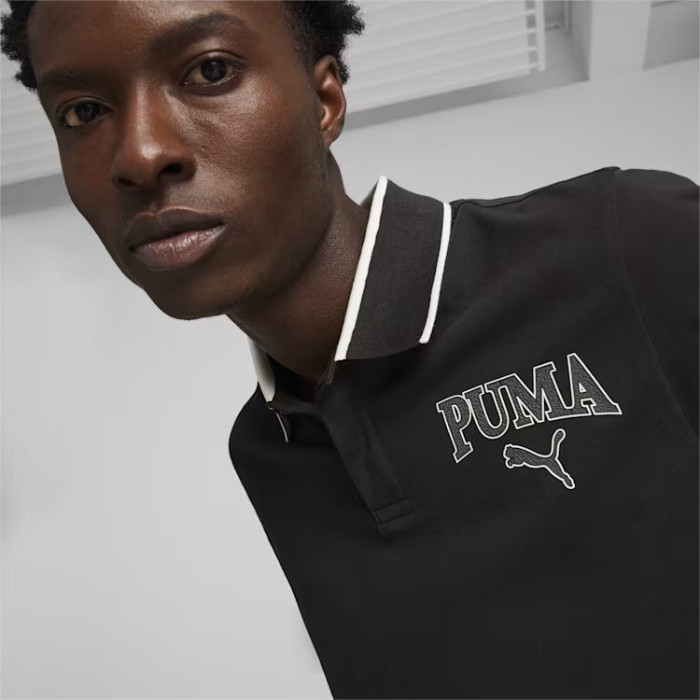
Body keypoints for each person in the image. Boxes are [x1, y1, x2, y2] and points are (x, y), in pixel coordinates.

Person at [2, 1, 698, 698]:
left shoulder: (625, 243)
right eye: (83, 112)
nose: (139, 156)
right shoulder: (265, 450)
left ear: (325, 101)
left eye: (209, 71)